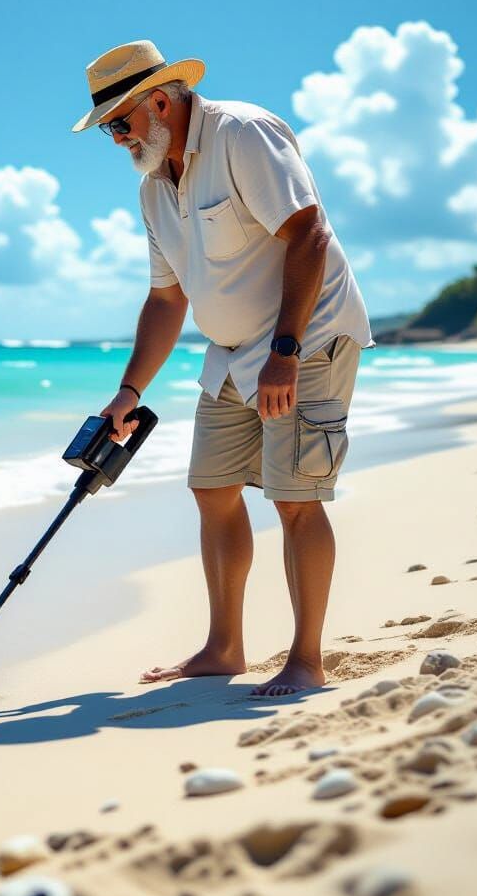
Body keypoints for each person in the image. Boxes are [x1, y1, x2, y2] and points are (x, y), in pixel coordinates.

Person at [72, 40, 375, 697]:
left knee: (295, 498)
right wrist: (128, 391)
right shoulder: (154, 190)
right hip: (233, 355)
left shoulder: (242, 132)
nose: (118, 140)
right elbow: (165, 297)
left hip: (308, 338)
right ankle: (224, 647)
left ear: (160, 101)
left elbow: (310, 233)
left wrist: (285, 354)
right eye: (108, 132)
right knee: (212, 490)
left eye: (121, 123)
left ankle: (306, 660)